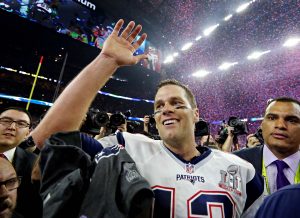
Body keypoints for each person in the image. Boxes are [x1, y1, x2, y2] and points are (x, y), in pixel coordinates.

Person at [31, 19, 264, 217]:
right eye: (159, 106)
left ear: (196, 114)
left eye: (176, 103)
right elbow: (51, 140)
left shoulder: (241, 171)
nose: (166, 110)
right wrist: (107, 61)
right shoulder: (128, 146)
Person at [234, 97, 300, 195]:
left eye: (291, 120)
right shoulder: (236, 161)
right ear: (262, 125)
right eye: (272, 118)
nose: (280, 125)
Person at [0, 107, 42, 218]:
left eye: (21, 124)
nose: (12, 127)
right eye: (6, 121)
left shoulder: (36, 165)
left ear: (28, 132)